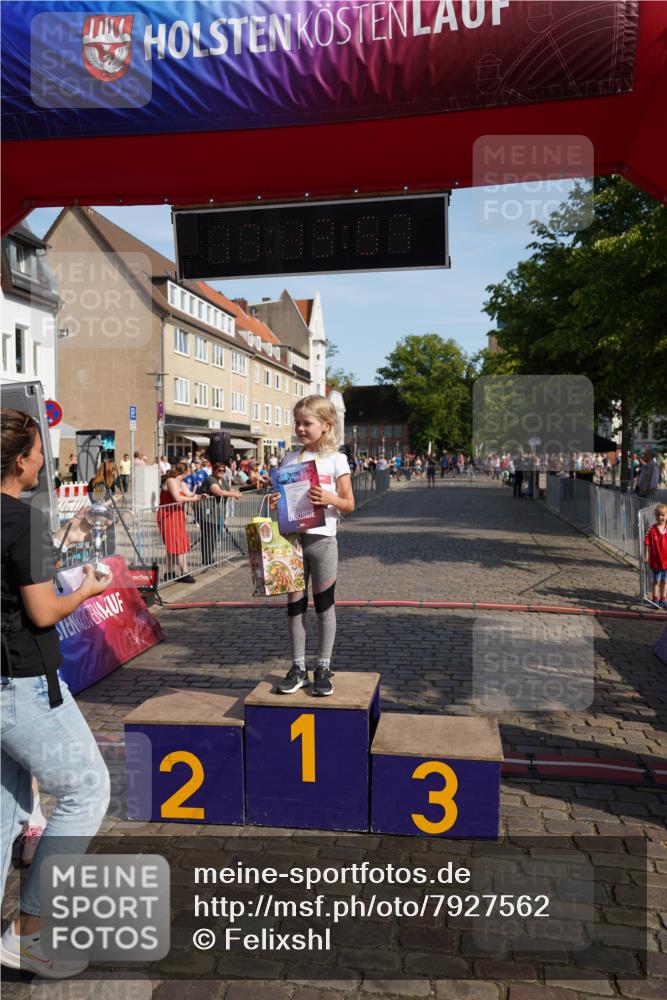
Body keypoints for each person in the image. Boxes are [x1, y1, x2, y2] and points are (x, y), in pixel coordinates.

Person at [1, 408, 113, 978]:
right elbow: (43, 609)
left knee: (6, 813)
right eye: (40, 452)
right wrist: (88, 588)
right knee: (87, 792)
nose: (46, 460)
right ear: (21, 460)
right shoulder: (23, 518)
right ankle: (29, 931)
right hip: (21, 684)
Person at [269, 395, 354, 697]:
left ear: (326, 425)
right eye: (297, 423)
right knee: (294, 607)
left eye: (307, 423)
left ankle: (323, 665)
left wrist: (330, 499)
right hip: (293, 543)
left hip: (322, 541)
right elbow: (281, 503)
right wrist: (275, 503)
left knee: (324, 606)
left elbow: (349, 502)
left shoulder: (336, 459)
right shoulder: (290, 460)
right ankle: (297, 667)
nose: (300, 429)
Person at [157, 464, 200, 583]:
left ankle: (169, 573)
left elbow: (190, 494)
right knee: (176, 545)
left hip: (177, 515)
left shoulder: (181, 483)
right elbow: (177, 497)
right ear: (186, 472)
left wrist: (200, 496)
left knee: (178, 544)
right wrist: (193, 499)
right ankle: (184, 572)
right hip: (168, 515)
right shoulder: (171, 481)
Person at [194, 464, 241, 565]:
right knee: (208, 536)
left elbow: (228, 489)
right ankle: (206, 560)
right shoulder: (210, 479)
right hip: (206, 513)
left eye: (223, 470)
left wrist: (237, 492)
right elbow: (218, 492)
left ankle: (209, 559)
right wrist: (234, 495)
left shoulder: (222, 480)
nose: (222, 472)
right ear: (214, 470)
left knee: (213, 536)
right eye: (219, 470)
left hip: (216, 514)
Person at [644, 503, 667, 609]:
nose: (660, 517)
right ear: (655, 515)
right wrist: (646, 555)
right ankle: (655, 598)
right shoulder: (652, 530)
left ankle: (663, 599)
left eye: (662, 515)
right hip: (656, 561)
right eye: (658, 515)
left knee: (664, 581)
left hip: (666, 561)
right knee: (656, 581)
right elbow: (647, 543)